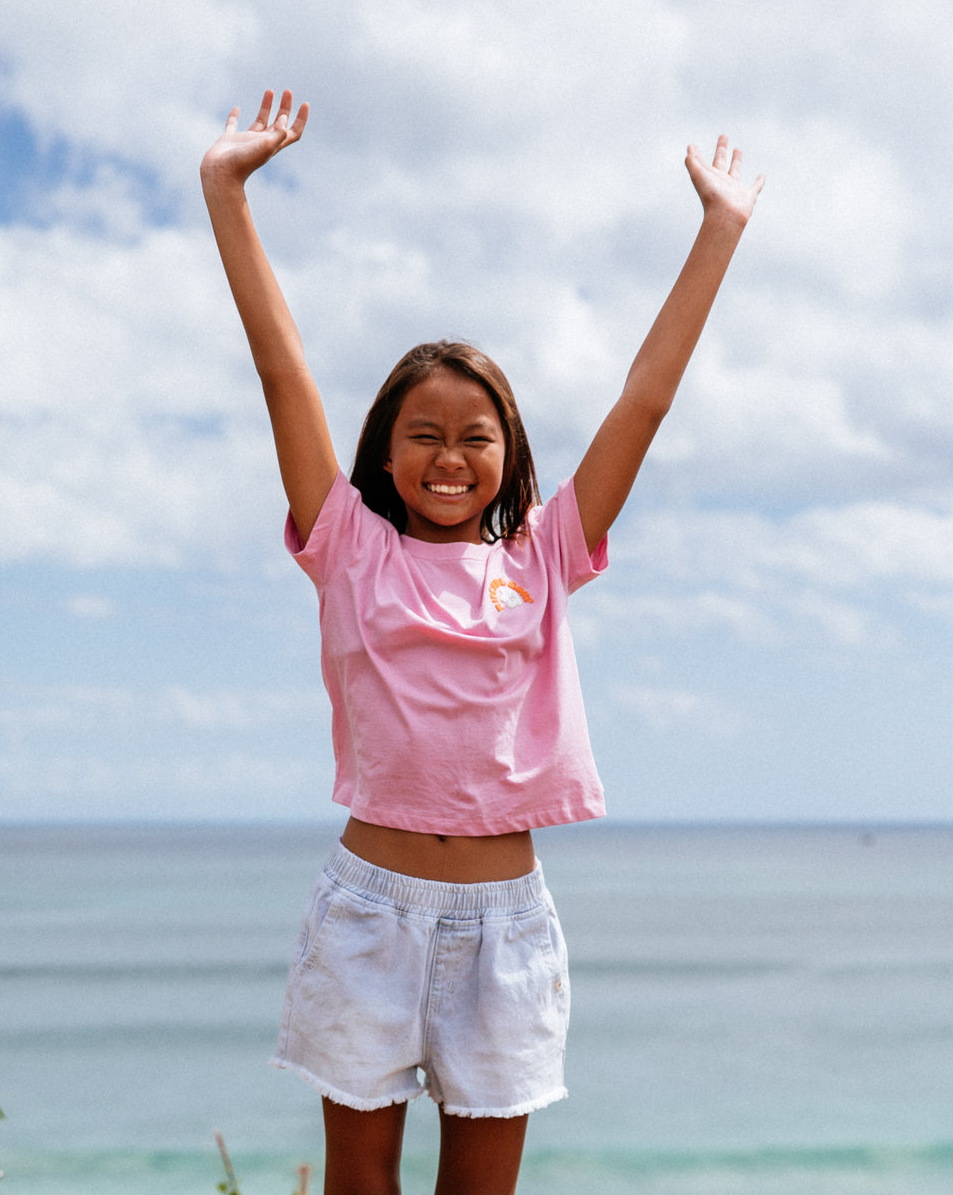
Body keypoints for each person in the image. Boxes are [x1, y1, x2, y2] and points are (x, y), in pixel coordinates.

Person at [201, 89, 764, 1195]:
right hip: (369, 907)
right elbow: (283, 370)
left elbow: (643, 403)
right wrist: (226, 193)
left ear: (509, 450)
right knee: (360, 1186)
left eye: (475, 434)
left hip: (505, 923)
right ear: (386, 451)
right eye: (424, 434)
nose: (450, 456)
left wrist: (720, 232)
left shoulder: (547, 556)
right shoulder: (348, 547)